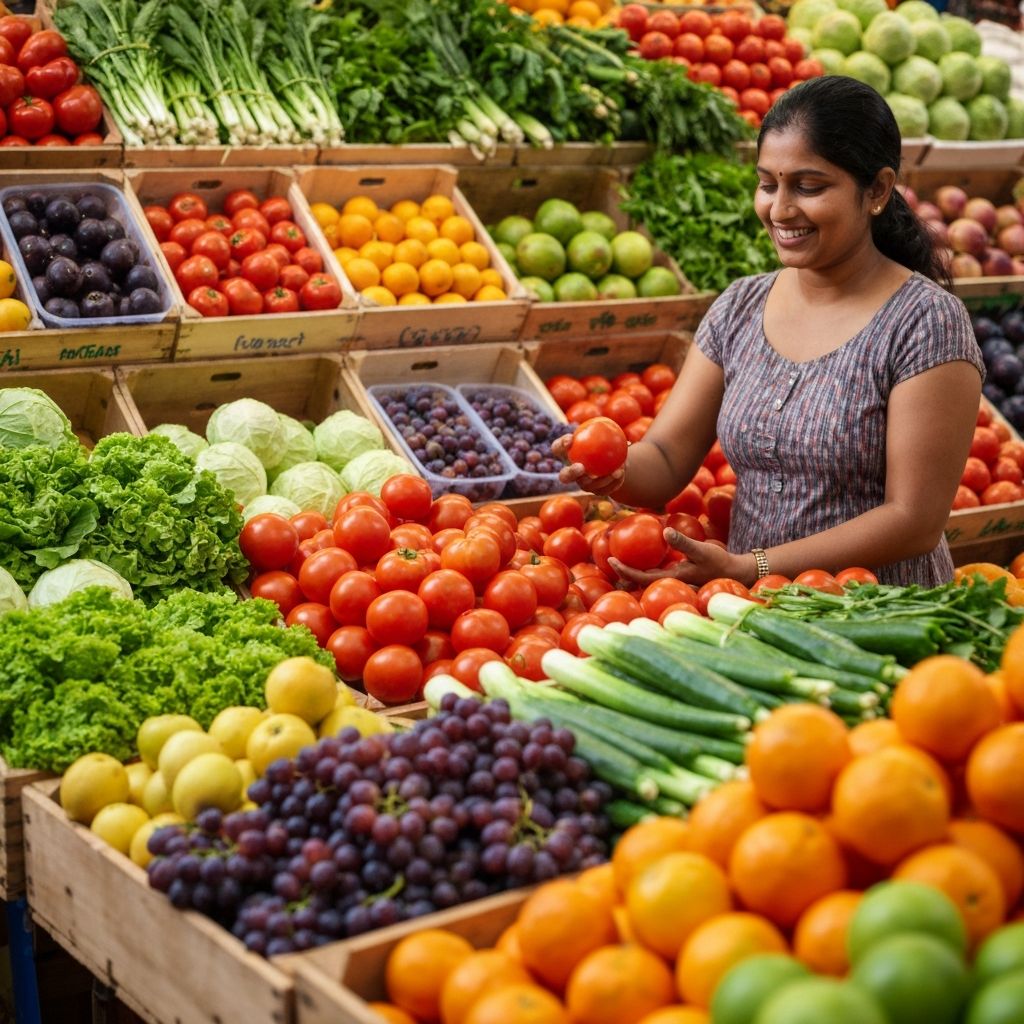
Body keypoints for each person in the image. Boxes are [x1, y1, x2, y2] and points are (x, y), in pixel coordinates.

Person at [557, 75, 984, 588]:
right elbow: (668, 458)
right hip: (757, 613)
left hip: (879, 617)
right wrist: (614, 469)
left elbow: (913, 519)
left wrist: (753, 565)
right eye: (767, 184)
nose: (779, 210)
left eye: (809, 187)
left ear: (877, 190)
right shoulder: (740, 306)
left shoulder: (926, 322)